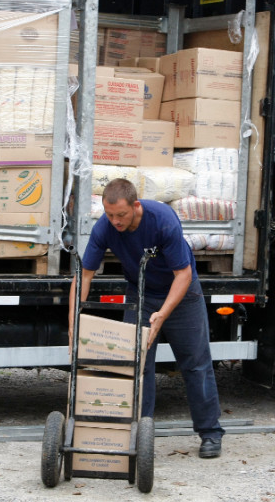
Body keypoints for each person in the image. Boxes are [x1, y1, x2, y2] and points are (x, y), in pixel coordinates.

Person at [68, 178, 225, 458]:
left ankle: (210, 433)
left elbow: (184, 274)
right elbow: (85, 275)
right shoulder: (104, 227)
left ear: (135, 206)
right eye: (109, 214)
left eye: (121, 215)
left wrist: (162, 315)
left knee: (196, 365)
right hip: (140, 293)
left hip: (182, 294)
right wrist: (73, 323)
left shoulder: (162, 220)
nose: (115, 221)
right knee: (138, 366)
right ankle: (140, 436)